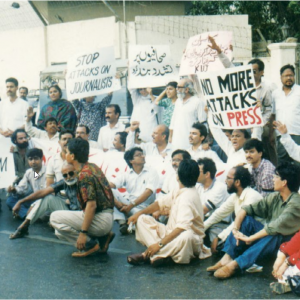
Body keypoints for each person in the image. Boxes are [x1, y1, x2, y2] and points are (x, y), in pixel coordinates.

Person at [208, 162, 300, 279]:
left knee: (274, 235)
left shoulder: (296, 203)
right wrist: (236, 229)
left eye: (276, 176)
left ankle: (236, 264)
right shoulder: (276, 197)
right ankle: (227, 258)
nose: (272, 178)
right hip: (271, 236)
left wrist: (250, 238)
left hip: (285, 245)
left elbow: (274, 227)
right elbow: (246, 210)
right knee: (247, 220)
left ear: (284, 182)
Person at [126, 159, 211, 267]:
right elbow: (160, 203)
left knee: (186, 236)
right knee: (142, 219)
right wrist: (137, 214)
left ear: (177, 177)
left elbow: (181, 228)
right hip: (170, 233)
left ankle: (148, 255)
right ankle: (164, 254)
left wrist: (159, 244)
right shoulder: (180, 189)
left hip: (186, 238)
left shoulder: (188, 197)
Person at [50, 138, 115, 257]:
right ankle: (102, 238)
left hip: (101, 219)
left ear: (73, 156)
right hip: (107, 217)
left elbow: (91, 205)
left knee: (54, 218)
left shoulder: (84, 175)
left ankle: (91, 245)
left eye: (67, 152)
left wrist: (83, 233)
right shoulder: (92, 166)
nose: (65, 154)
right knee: (58, 232)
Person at [9, 163, 81, 240]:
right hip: (71, 213)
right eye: (65, 175)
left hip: (84, 216)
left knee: (59, 231)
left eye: (71, 173)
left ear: (76, 172)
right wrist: (21, 201)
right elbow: (43, 192)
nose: (69, 177)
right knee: (48, 198)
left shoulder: (84, 181)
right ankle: (23, 226)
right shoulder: (30, 173)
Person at [204, 166, 263, 247]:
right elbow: (219, 213)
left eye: (228, 178)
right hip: (244, 233)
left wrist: (219, 238)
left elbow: (240, 222)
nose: (225, 181)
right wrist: (201, 228)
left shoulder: (252, 196)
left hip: (258, 237)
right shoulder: (235, 196)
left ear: (237, 182)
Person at [109, 147, 159, 234]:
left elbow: (148, 192)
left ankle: (129, 221)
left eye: (142, 154)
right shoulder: (126, 174)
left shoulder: (152, 172)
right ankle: (123, 223)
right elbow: (110, 185)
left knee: (144, 223)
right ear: (131, 160)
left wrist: (130, 206)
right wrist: (119, 204)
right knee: (109, 191)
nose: (143, 156)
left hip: (144, 209)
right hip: (128, 205)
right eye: (138, 155)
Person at [196, 158, 229, 252]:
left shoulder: (220, 187)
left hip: (218, 223)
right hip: (204, 220)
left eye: (198, 171)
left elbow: (204, 209)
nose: (194, 173)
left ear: (207, 174)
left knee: (215, 248)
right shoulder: (198, 186)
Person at [270, 64, 300, 165]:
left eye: (291, 75)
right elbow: (273, 114)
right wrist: (271, 134)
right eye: (286, 76)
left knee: (297, 165)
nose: (289, 78)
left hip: (297, 134)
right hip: (281, 135)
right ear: (281, 78)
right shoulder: (275, 94)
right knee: (283, 165)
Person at [6, 148, 46, 219]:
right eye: (30, 159)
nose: (33, 162)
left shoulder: (48, 171)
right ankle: (28, 215)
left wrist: (21, 201)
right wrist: (14, 190)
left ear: (41, 159)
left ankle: (30, 215)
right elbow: (22, 188)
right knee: (10, 200)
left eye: (36, 159)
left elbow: (44, 194)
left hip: (45, 200)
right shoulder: (29, 172)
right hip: (34, 198)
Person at [169, 78, 206, 150]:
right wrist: (170, 137)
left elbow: (203, 124)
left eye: (179, 87)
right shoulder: (178, 102)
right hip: (176, 142)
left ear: (187, 90)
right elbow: (173, 121)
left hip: (190, 144)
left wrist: (204, 142)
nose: (176, 89)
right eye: (177, 87)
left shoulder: (198, 102)